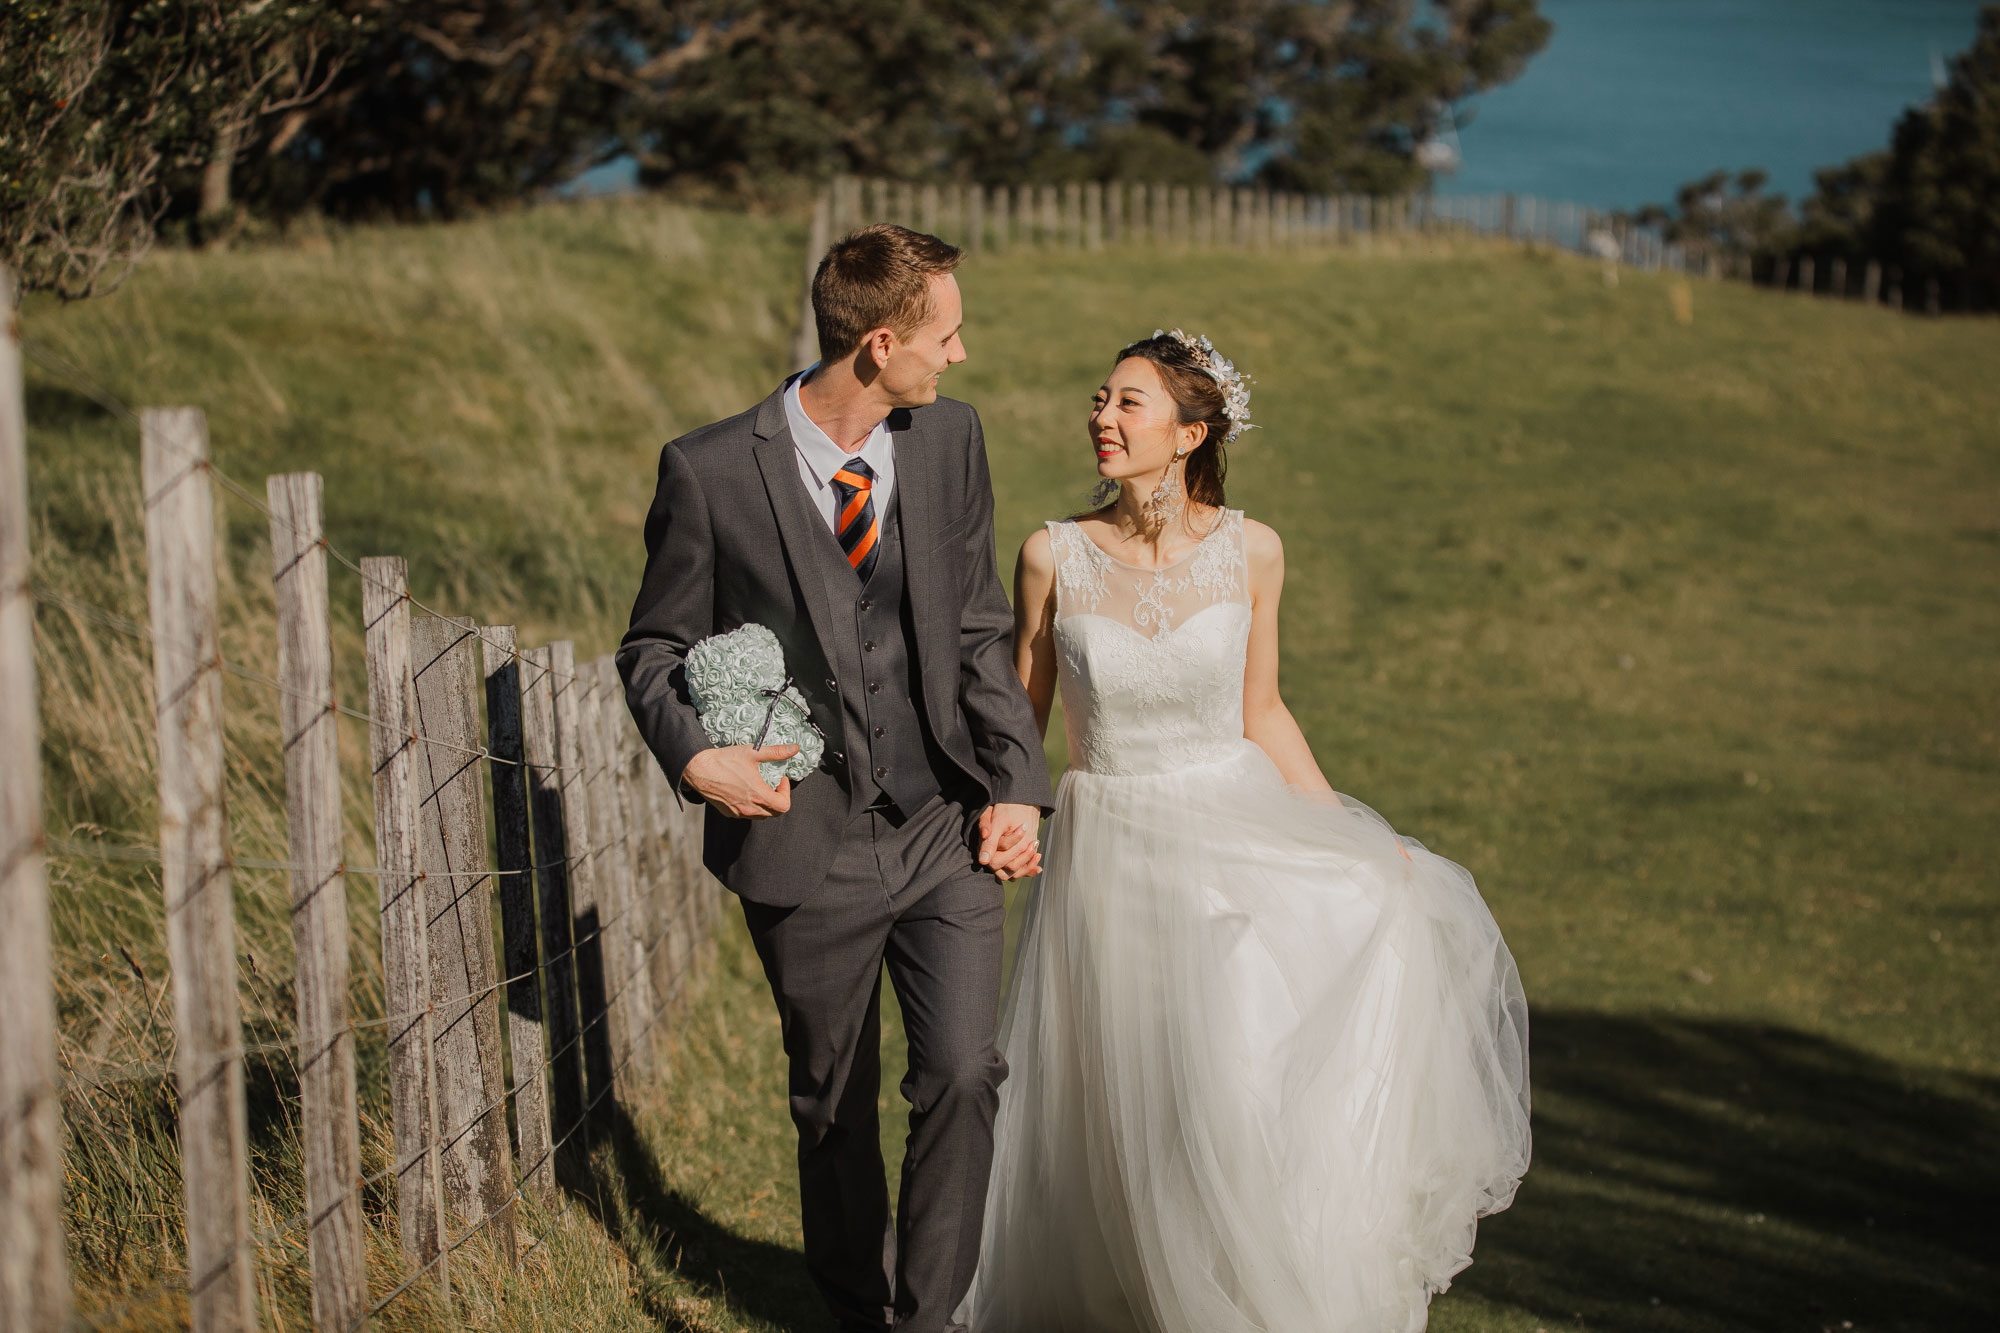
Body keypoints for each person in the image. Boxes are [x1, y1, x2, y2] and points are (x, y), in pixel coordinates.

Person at [960, 330, 1532, 1333]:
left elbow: (1261, 711)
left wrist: (1353, 835)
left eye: (1128, 403)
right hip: (1108, 851)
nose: (1101, 416)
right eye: (1099, 398)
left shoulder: (1251, 550)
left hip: (1227, 835)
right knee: (1117, 1098)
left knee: (1225, 1080)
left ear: (1189, 431)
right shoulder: (1051, 554)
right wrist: (1005, 812)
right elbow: (1021, 718)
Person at [618, 224, 1053, 1333]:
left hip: (940, 824)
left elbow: (976, 629)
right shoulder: (710, 469)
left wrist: (1014, 782)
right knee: (832, 1104)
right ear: (875, 344)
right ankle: (854, 1306)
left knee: (961, 1072)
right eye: (941, 336)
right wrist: (693, 753)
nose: (957, 356)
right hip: (802, 841)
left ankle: (931, 1316)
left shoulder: (950, 443)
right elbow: (651, 647)